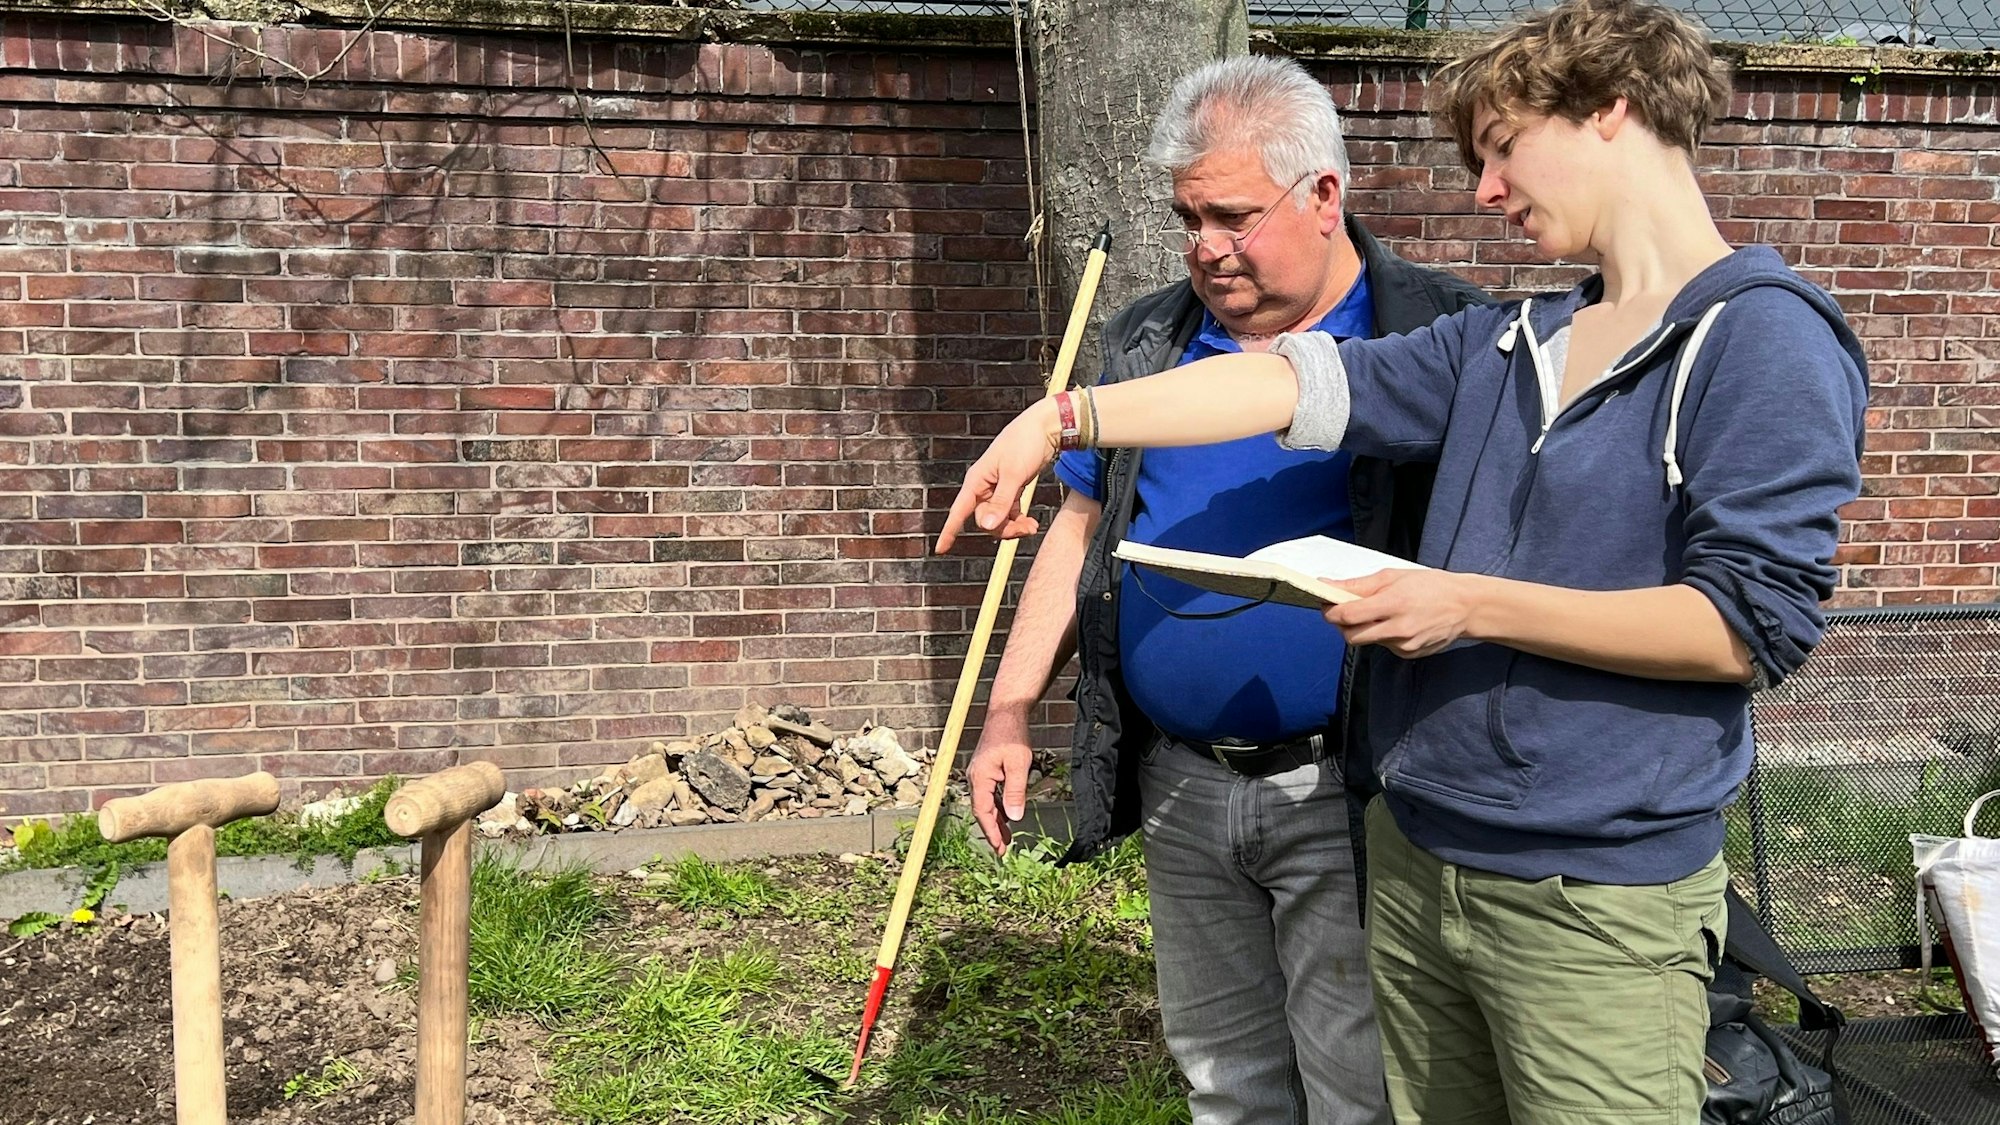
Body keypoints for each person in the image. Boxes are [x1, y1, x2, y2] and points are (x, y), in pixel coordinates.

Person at [941, 3, 1869, 1123]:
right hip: (1423, 857)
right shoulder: (1509, 340)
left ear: (1611, 112)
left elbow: (1744, 629)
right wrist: (1063, 419)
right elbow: (1286, 382)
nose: (1484, 190)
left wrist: (1466, 603)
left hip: (1593, 890)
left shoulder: (1759, 338)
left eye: (1500, 148)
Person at [965, 55, 1487, 1125]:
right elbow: (1079, 527)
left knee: (1360, 1085)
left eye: (1232, 216)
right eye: (1186, 216)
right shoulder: (1149, 338)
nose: (1204, 246)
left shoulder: (1430, 338)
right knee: (1224, 1077)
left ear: (1323, 196)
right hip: (1184, 781)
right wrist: (1009, 709)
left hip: (1352, 783)